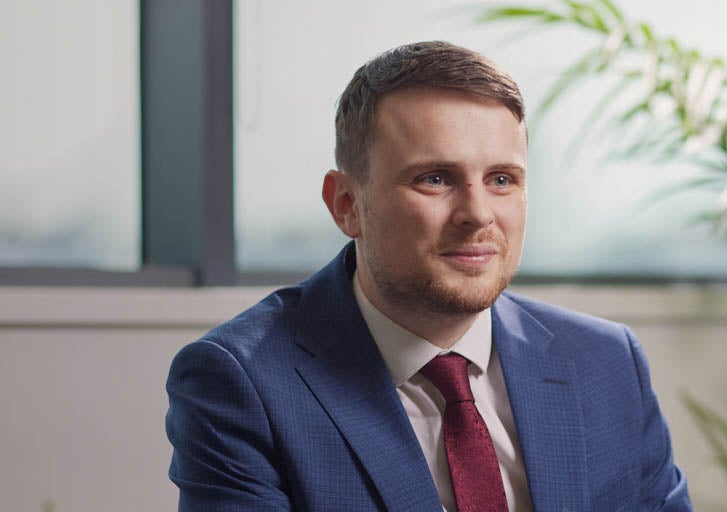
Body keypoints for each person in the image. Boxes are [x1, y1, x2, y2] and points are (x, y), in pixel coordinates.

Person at [165, 41, 692, 511]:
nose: (479, 214)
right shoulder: (242, 382)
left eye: (502, 179)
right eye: (436, 179)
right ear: (346, 204)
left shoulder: (606, 362)